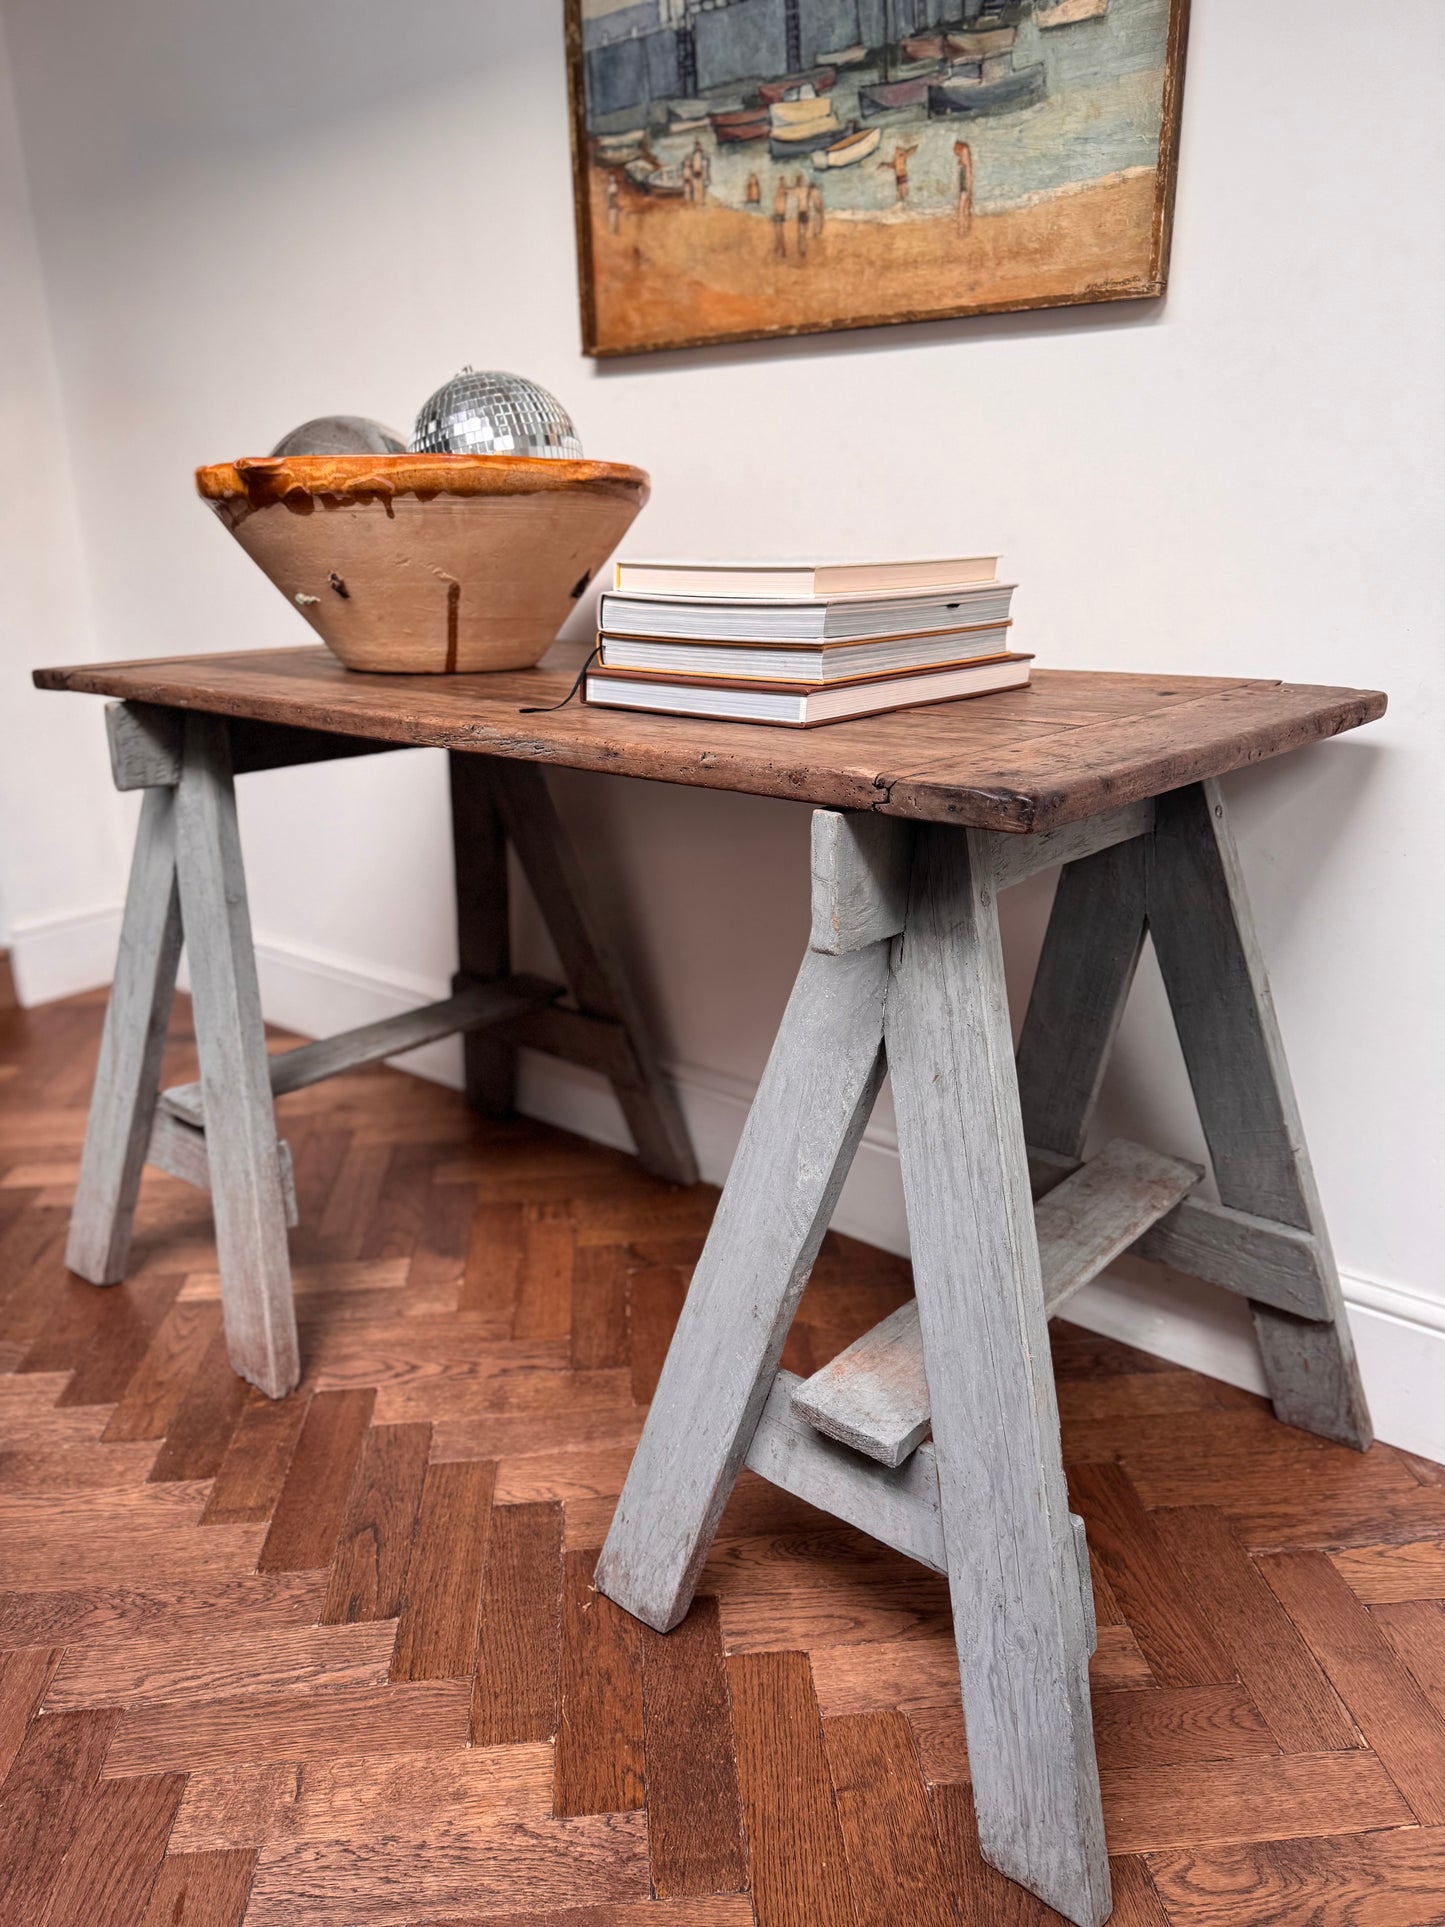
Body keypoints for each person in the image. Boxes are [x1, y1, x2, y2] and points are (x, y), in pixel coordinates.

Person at [879, 141, 918, 205]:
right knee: (899, 196)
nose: (896, 152)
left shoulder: (903, 157)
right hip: (899, 179)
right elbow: (892, 165)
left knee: (903, 195)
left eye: (897, 151)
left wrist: (915, 147)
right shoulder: (896, 160)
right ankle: (901, 208)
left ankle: (907, 206)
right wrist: (883, 164)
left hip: (903, 178)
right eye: (896, 152)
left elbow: (910, 151)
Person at [954, 138, 974, 237]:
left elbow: (967, 175)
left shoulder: (965, 159)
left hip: (964, 186)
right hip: (964, 186)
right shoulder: (964, 159)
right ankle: (964, 229)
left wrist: (969, 188)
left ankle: (962, 229)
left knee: (962, 208)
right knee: (964, 208)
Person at [773, 174, 789, 258]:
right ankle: (780, 250)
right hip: (778, 212)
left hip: (779, 213)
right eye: (781, 181)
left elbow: (780, 201)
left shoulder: (782, 190)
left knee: (779, 233)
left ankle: (781, 251)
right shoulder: (781, 190)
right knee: (778, 233)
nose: (781, 182)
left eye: (782, 181)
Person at [796, 171, 810, 259]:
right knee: (801, 233)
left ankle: (803, 250)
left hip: (804, 212)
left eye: (802, 180)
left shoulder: (804, 190)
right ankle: (802, 250)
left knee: (803, 233)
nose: (802, 182)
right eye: (801, 181)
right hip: (801, 212)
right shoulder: (801, 190)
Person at [605, 170, 621, 235]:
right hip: (610, 205)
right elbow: (608, 196)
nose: (612, 179)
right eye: (611, 178)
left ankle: (615, 230)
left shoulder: (615, 186)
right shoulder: (608, 186)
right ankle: (612, 231)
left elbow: (615, 195)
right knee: (611, 218)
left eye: (613, 177)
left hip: (614, 204)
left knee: (615, 218)